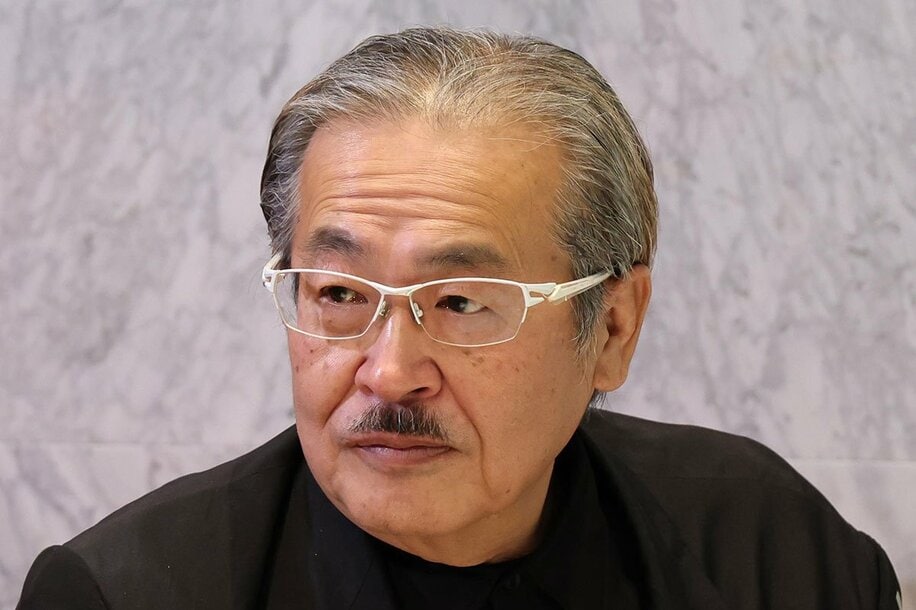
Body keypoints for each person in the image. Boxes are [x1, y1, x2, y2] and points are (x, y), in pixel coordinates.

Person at [18, 27, 900, 610]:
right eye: (339, 294)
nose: (389, 372)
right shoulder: (127, 593)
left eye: (461, 302)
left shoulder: (772, 553)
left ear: (613, 328)